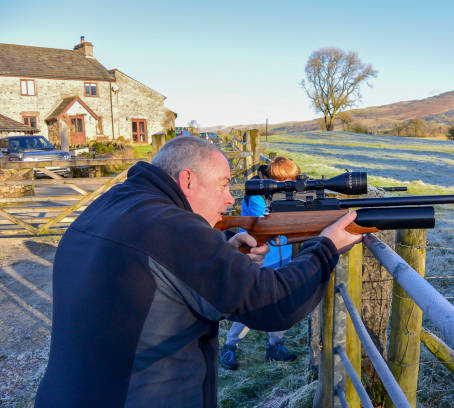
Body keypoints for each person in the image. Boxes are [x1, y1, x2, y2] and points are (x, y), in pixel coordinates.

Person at [34, 136, 361, 408]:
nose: (229, 198)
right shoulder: (173, 227)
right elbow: (274, 303)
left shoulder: (111, 205)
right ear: (187, 180)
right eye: (221, 185)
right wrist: (325, 247)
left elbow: (160, 282)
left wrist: (221, 254)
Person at [220, 157, 301, 370]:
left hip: (282, 257)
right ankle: (230, 346)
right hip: (259, 257)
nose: (291, 184)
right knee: (253, 304)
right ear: (277, 178)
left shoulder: (283, 193)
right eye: (288, 180)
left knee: (280, 302)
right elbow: (261, 224)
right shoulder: (257, 194)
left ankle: (275, 346)